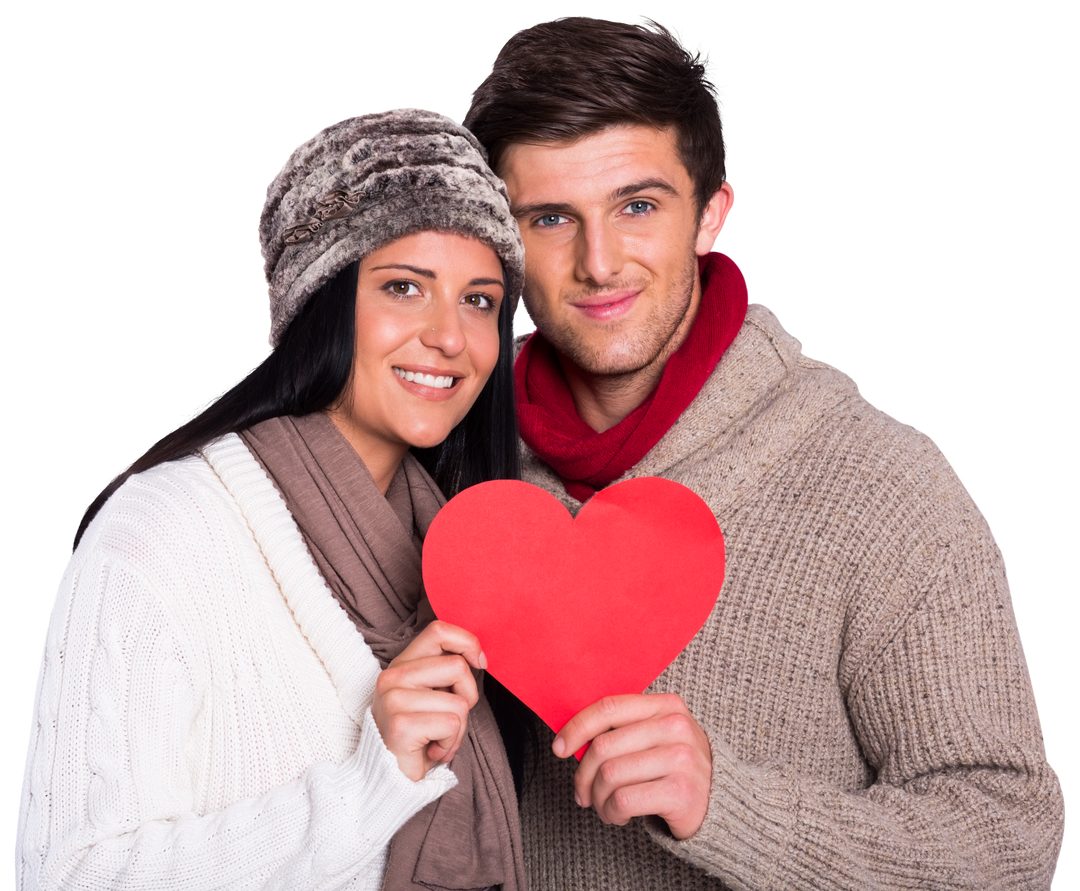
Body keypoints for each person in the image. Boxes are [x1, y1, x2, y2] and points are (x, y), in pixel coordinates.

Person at [462, 13, 1068, 890]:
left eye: (638, 206)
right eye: (551, 217)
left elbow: (1010, 841)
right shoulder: (450, 473)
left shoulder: (885, 486)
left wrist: (727, 809)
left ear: (712, 213)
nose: (598, 262)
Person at [14, 107, 527, 890]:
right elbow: (69, 875)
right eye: (403, 287)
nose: (451, 337)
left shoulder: (457, 557)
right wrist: (371, 783)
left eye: (480, 300)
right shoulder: (162, 532)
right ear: (317, 303)